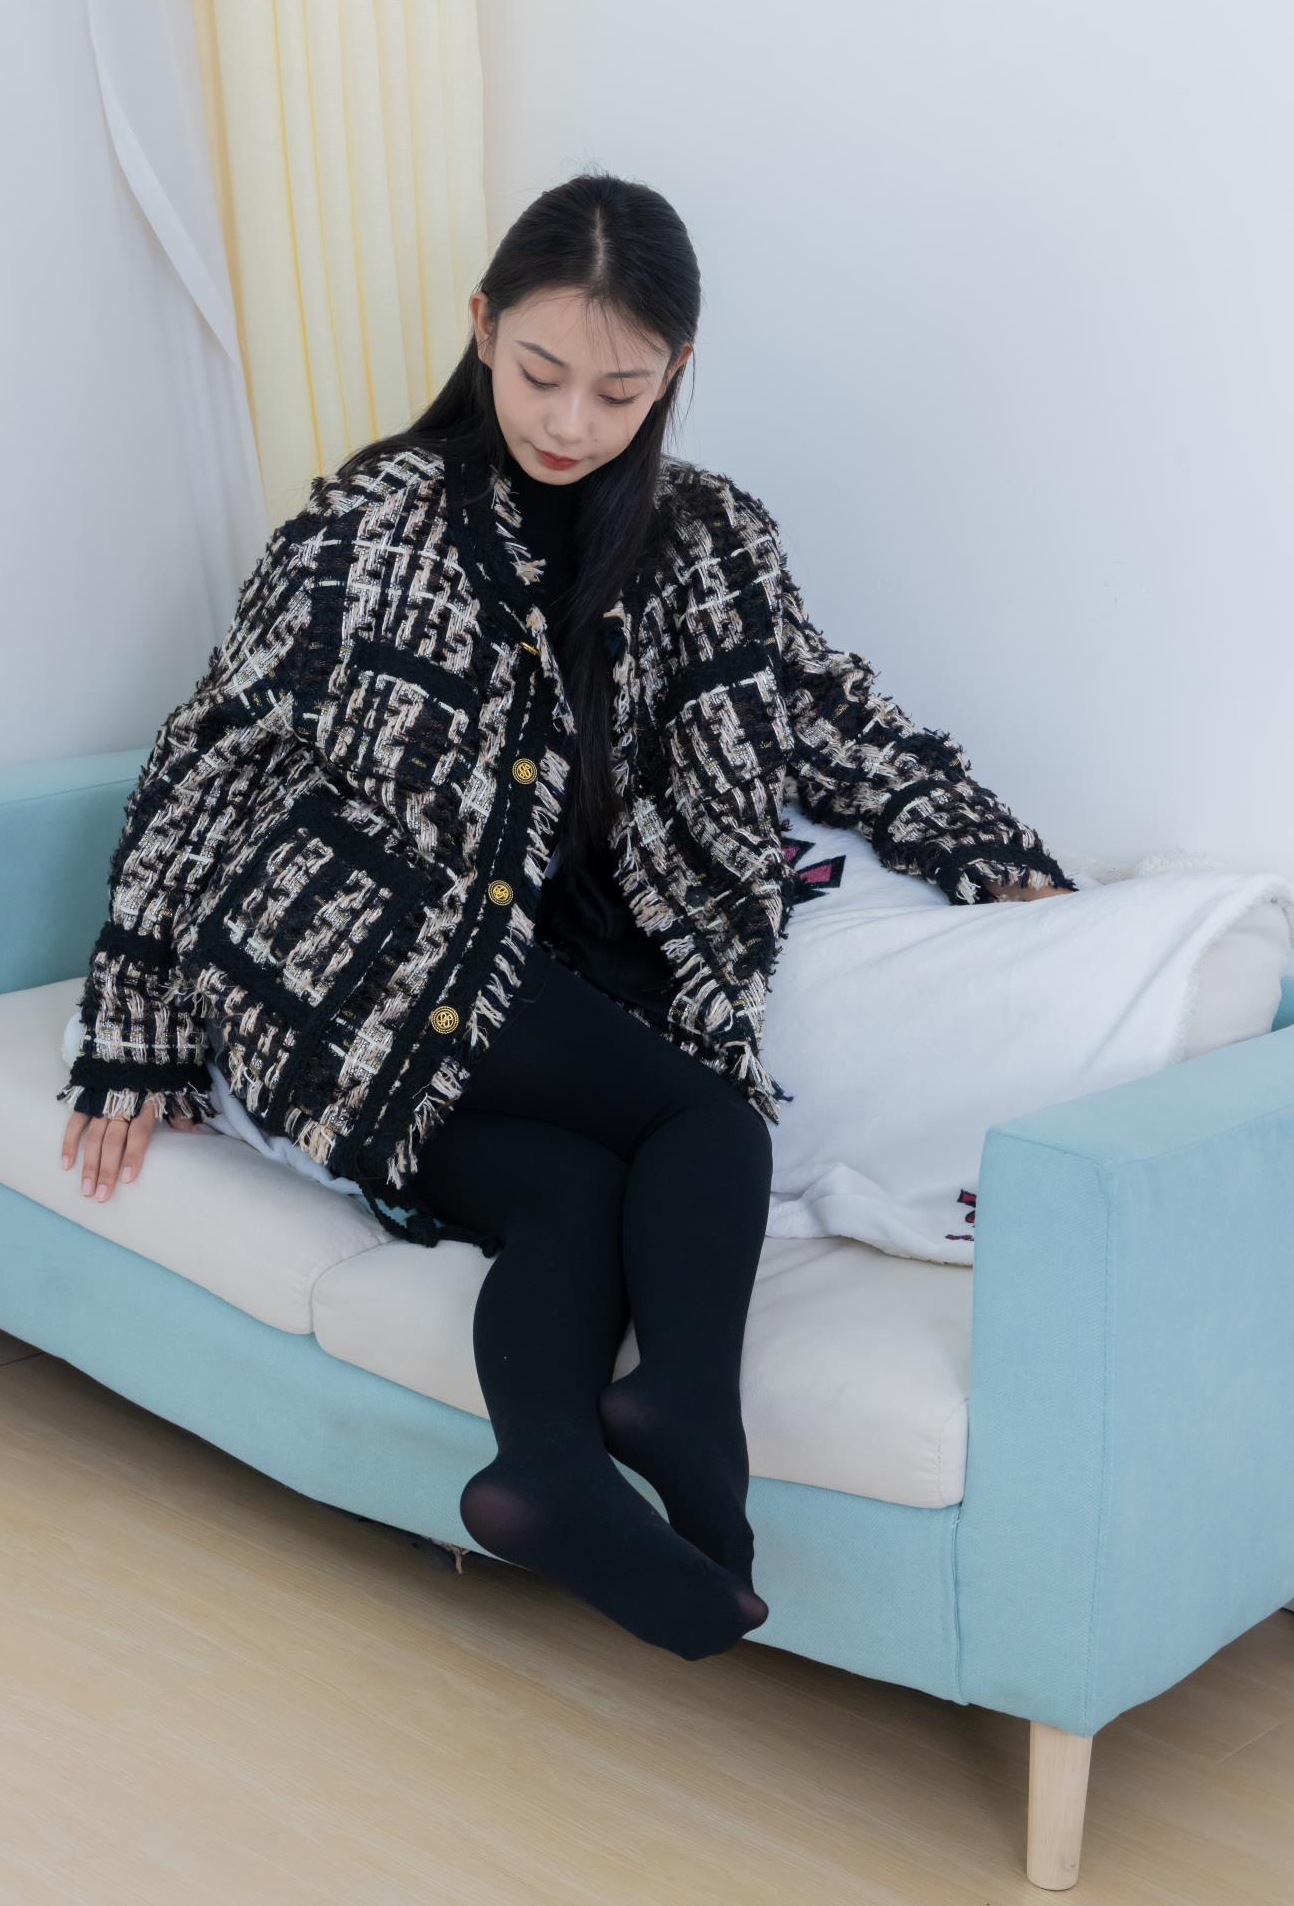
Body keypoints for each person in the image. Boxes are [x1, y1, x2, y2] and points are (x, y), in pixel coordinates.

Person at [58, 172, 1076, 1663]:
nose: (570, 421)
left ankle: (540, 1472)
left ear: (676, 371)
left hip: (544, 983)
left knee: (567, 1190)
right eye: (540, 371)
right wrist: (135, 1024)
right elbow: (212, 754)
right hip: (344, 937)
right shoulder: (373, 520)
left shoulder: (711, 540)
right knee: (707, 1120)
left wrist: (995, 854)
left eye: (619, 390)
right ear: (481, 327)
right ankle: (687, 1415)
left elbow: (823, 715)